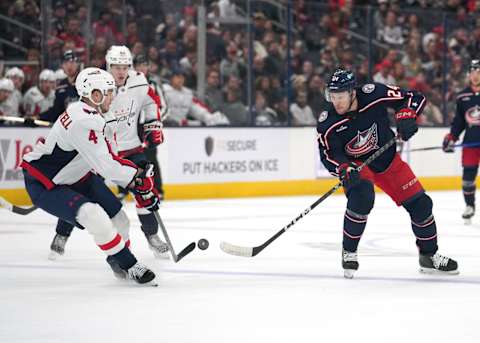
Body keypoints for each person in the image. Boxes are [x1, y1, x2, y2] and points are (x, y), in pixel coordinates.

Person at [20, 67, 158, 284]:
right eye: (109, 92)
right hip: (47, 183)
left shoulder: (96, 113)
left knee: (120, 218)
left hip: (77, 176)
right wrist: (138, 178)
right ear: (95, 94)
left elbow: (111, 155)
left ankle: (116, 262)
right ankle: (129, 264)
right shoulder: (84, 121)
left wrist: (137, 179)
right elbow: (107, 166)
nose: (113, 97)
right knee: (92, 215)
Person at [317, 68, 458, 278]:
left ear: (353, 92)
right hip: (358, 166)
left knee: (422, 205)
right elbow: (329, 154)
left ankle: (429, 256)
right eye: (333, 96)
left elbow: (413, 98)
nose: (336, 102)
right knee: (362, 197)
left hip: (387, 160)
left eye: (341, 96)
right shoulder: (328, 122)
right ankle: (349, 251)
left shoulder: (374, 93)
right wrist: (343, 168)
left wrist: (407, 115)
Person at [47, 46, 170, 260]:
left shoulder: (139, 81)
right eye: (116, 67)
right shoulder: (98, 84)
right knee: (80, 190)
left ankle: (152, 236)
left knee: (144, 190)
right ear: (108, 65)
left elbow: (153, 102)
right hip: (102, 152)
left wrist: (153, 124)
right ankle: (61, 235)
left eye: (125, 67)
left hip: (130, 148)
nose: (121, 72)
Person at [442, 59, 480, 224]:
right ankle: (469, 206)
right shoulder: (463, 96)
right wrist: (452, 137)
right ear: (468, 75)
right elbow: (459, 122)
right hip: (471, 142)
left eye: (478, 72)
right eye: (472, 72)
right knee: (468, 177)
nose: (475, 75)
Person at [132, 53, 168, 199]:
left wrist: (154, 123)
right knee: (128, 156)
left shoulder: (153, 85)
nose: (141, 68)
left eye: (144, 65)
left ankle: (157, 189)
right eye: (138, 65)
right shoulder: (129, 84)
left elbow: (164, 107)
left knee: (151, 158)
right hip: (132, 127)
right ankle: (125, 189)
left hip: (148, 127)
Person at [163, 67, 229, 126]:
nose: (181, 79)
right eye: (178, 77)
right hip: (165, 127)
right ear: (172, 78)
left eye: (182, 77)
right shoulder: (163, 91)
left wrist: (209, 117)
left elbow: (196, 109)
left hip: (181, 127)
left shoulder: (187, 93)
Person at [40, 50, 80, 123]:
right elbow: (56, 111)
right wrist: (38, 117)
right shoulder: (61, 86)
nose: (69, 65)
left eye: (72, 62)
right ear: (62, 66)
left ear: (77, 64)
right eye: (65, 63)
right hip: (68, 126)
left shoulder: (84, 82)